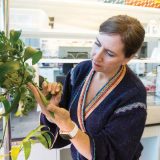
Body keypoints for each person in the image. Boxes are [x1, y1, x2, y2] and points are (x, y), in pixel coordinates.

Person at [28, 15, 147, 160]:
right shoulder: (80, 71)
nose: (97, 57)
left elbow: (113, 154)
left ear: (127, 58)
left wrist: (68, 126)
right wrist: (52, 106)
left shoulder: (132, 94)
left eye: (109, 53)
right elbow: (56, 133)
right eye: (97, 44)